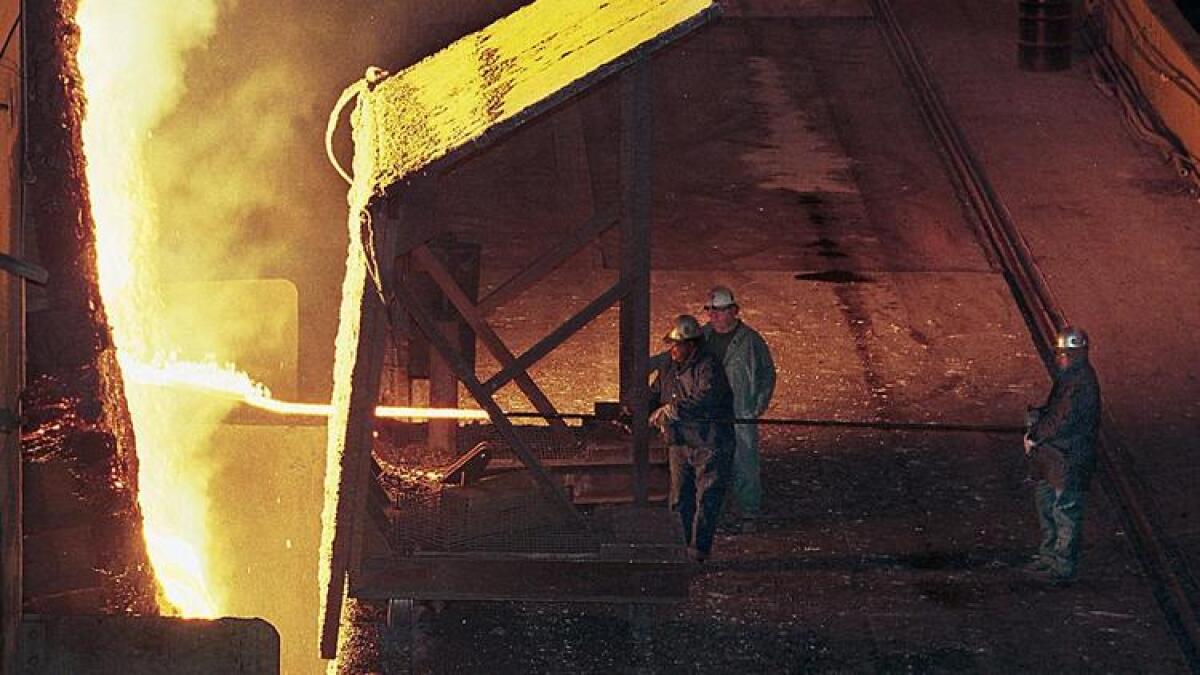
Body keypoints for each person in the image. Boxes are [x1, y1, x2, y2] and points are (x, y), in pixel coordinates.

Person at [649, 314, 736, 563]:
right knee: (678, 498)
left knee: (706, 499)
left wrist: (672, 410)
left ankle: (698, 552)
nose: (672, 349)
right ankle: (679, 547)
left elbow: (705, 398)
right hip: (680, 443)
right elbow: (655, 393)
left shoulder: (709, 367)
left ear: (692, 345)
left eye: (677, 345)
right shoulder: (669, 366)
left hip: (709, 442)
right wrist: (633, 410)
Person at [1023, 326, 1102, 584]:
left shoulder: (1080, 382)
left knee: (1063, 511)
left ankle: (1061, 564)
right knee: (1048, 505)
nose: (1061, 358)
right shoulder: (1072, 379)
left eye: (1065, 354)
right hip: (1056, 457)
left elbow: (1062, 418)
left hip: (1069, 458)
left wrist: (1035, 434)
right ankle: (1050, 557)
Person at [702, 285, 776, 532]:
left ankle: (748, 514)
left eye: (719, 311)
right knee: (712, 464)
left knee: (744, 463)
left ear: (733, 311)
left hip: (740, 413)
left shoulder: (750, 341)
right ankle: (716, 514)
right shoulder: (702, 338)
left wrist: (757, 405)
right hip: (711, 414)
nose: (714, 316)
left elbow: (767, 373)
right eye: (710, 311)